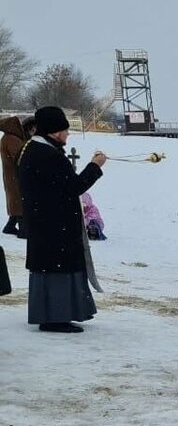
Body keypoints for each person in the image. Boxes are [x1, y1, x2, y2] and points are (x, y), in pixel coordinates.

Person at [16, 106, 108, 333]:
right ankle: (56, 317)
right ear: (55, 132)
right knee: (58, 271)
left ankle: (52, 314)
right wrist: (95, 166)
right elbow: (74, 187)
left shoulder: (32, 149)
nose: (67, 135)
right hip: (55, 225)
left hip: (44, 222)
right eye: (65, 130)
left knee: (49, 269)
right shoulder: (48, 155)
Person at [1, 115, 33, 237]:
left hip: (11, 175)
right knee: (19, 201)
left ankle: (10, 226)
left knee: (15, 201)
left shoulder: (9, 138)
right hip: (15, 176)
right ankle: (23, 231)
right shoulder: (12, 139)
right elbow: (20, 156)